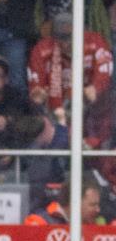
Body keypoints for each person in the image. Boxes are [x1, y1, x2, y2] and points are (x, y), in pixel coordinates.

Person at [27, 12, 113, 149]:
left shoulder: (96, 42)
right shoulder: (41, 49)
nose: (66, 43)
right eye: (61, 38)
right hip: (56, 111)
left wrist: (95, 87)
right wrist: (39, 92)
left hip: (91, 109)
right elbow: (36, 88)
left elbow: (104, 73)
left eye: (70, 38)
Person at [25, 177, 106, 225]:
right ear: (74, 203)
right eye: (92, 205)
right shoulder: (39, 222)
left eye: (98, 205)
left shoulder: (97, 224)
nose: (98, 209)